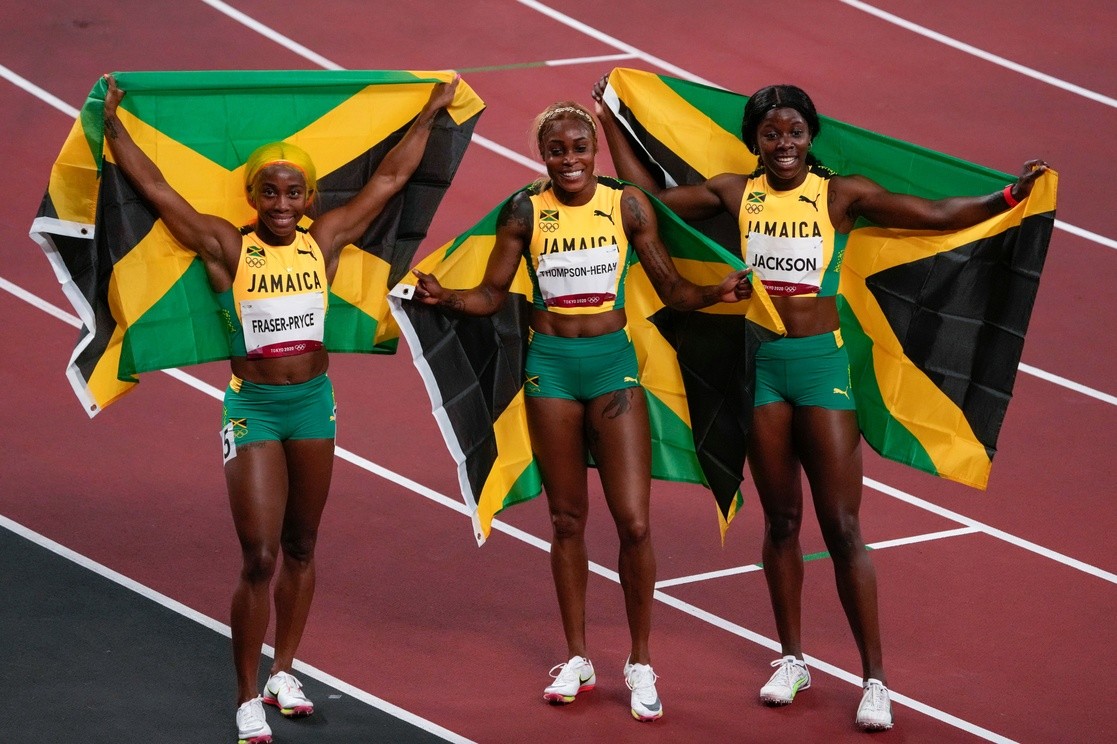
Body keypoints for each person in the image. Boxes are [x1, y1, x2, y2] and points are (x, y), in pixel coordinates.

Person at [592, 75, 1047, 731]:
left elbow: (936, 214)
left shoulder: (840, 195)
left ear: (811, 137)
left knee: (841, 526)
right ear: (754, 140)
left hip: (820, 369)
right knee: (780, 522)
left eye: (795, 132)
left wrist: (1007, 196)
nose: (784, 143)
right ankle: (791, 659)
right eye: (771, 133)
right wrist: (609, 119)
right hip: (763, 369)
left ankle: (874, 680)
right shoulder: (735, 192)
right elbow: (649, 204)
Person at [101, 72, 459, 744]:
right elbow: (157, 191)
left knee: (301, 545)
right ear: (253, 195)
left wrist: (431, 113)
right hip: (255, 410)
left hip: (314, 405)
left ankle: (283, 671)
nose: (283, 203)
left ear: (310, 197)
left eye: (294, 192)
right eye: (270, 191)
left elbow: (389, 181)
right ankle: (246, 697)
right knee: (260, 555)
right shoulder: (227, 246)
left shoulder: (324, 242)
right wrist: (112, 126)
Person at [411, 100, 752, 723]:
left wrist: (716, 292)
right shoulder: (524, 211)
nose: (569, 159)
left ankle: (641, 661)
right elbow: (492, 294)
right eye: (556, 150)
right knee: (566, 520)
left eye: (579, 147)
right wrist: (448, 297)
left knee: (635, 523)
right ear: (543, 155)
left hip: (611, 367)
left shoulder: (627, 205)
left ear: (595, 150)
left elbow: (671, 288)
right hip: (551, 371)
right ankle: (578, 657)